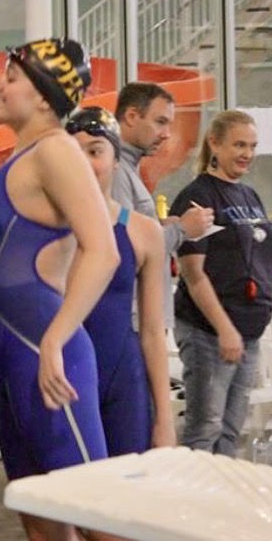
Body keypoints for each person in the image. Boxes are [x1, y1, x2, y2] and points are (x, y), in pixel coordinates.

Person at [0, 38, 120, 541]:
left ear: (41, 96)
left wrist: (56, 338)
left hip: (46, 357)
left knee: (96, 512)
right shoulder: (26, 155)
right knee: (38, 514)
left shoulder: (57, 150)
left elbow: (103, 251)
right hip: (13, 362)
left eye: (11, 78)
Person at [169, 109, 272, 458]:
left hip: (248, 334)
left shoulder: (250, 197)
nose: (247, 153)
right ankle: (192, 505)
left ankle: (223, 503)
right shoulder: (198, 197)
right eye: (238, 145)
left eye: (252, 145)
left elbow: (270, 268)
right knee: (205, 427)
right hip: (208, 334)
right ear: (214, 144)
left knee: (231, 430)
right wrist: (224, 329)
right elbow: (194, 274)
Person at [66, 106, 177, 454]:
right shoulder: (49, 232)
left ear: (116, 159)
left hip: (123, 379)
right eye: (75, 152)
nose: (85, 162)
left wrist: (165, 418)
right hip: (64, 378)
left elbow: (152, 331)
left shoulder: (144, 233)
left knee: (128, 493)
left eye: (96, 151)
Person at [111, 82, 213, 325]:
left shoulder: (129, 169)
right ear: (132, 116)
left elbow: (133, 229)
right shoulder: (116, 172)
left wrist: (160, 225)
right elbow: (127, 249)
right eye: (160, 122)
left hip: (141, 318)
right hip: (132, 320)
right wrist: (181, 230)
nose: (167, 133)